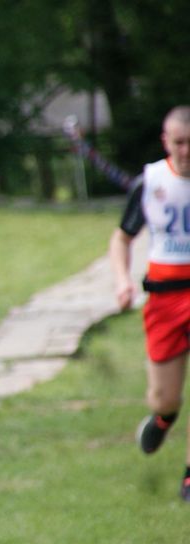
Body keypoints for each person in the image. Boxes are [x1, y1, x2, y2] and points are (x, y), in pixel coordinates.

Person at [109, 105, 190, 502]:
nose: (186, 151)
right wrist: (123, 280)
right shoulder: (150, 182)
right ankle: (163, 417)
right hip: (164, 297)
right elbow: (121, 238)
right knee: (165, 396)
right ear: (166, 141)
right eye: (179, 142)